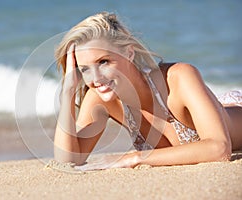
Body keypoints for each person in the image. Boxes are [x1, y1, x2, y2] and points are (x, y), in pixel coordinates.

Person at [53, 12, 242, 170]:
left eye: (103, 62)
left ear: (129, 52)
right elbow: (68, 160)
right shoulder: (101, 99)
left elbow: (219, 148)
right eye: (85, 68)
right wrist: (67, 93)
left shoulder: (178, 77)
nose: (95, 78)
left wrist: (136, 158)